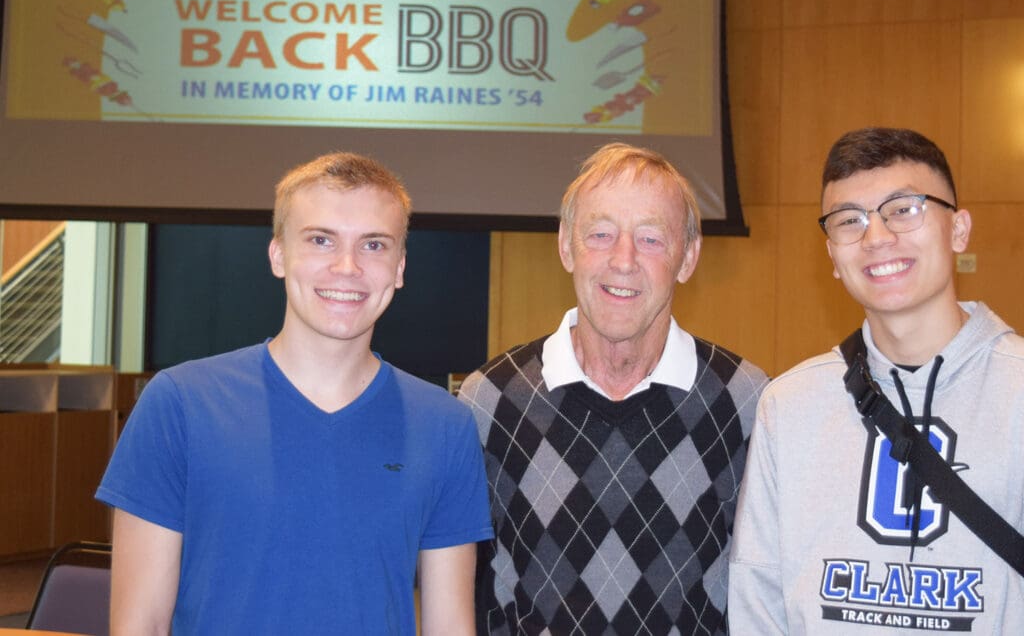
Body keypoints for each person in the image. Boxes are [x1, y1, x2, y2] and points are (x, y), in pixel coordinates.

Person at [97, 152, 493, 635]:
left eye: (373, 245)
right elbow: (140, 624)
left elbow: (449, 627)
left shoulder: (445, 426)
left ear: (400, 267)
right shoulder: (179, 404)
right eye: (321, 240)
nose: (346, 267)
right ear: (278, 254)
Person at [458, 142, 768, 634]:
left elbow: (767, 593)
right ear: (566, 246)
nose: (622, 260)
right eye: (600, 234)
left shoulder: (747, 400)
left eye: (650, 239)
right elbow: (468, 592)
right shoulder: (489, 400)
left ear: (687, 258)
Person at [729, 127, 1024, 633]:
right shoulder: (790, 405)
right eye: (849, 220)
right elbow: (759, 595)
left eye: (903, 209)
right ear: (833, 258)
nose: (876, 237)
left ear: (959, 230)